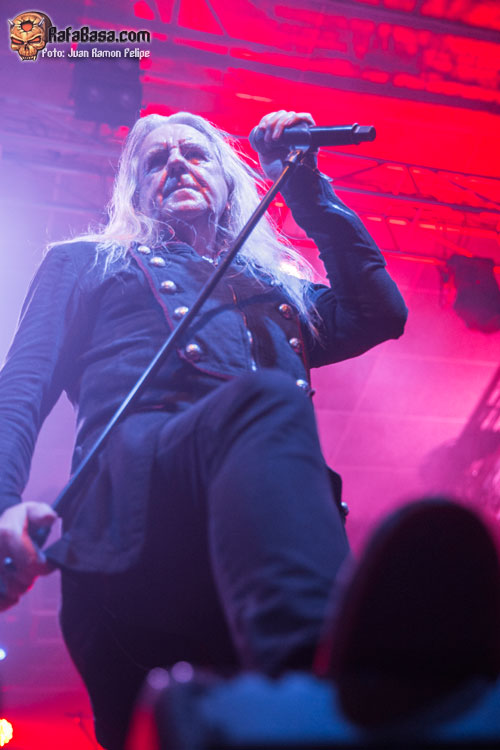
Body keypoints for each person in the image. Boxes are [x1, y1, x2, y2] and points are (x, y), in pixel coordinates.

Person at [0, 110, 407, 748]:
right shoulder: (85, 262)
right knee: (264, 404)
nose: (175, 165)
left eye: (194, 154)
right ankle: (324, 675)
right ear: (135, 192)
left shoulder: (278, 290)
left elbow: (380, 313)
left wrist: (304, 187)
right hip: (135, 513)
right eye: (154, 161)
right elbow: (21, 389)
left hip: (253, 540)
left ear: (227, 180)